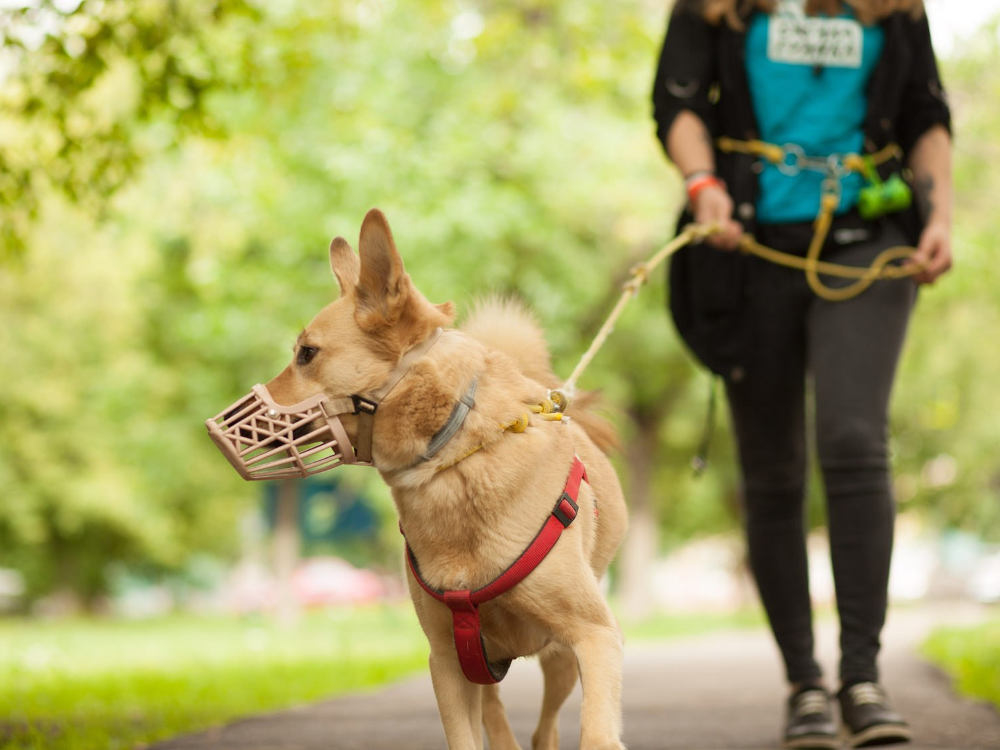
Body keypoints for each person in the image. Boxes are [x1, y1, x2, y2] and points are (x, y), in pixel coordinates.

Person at [651, 0, 952, 748]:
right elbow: (678, 103)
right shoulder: (714, 9)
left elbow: (926, 113)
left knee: (854, 440)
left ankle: (863, 677)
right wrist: (702, 185)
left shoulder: (895, 9)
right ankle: (805, 685)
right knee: (773, 469)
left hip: (868, 239)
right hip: (747, 245)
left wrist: (938, 214)